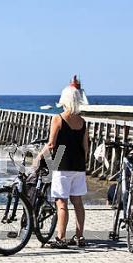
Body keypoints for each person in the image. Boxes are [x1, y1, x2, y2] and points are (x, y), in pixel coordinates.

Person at [42, 76, 89, 248]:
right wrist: (82, 165)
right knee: (78, 202)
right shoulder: (82, 122)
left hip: (62, 164)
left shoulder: (58, 119)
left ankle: (60, 238)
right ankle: (80, 236)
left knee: (61, 202)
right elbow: (86, 147)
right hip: (78, 166)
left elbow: (52, 144)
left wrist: (39, 158)